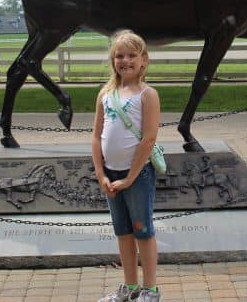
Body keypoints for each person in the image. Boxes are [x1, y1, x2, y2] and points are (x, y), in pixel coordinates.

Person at [93, 30, 162, 302]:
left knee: (142, 230)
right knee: (122, 231)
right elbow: (97, 135)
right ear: (112, 60)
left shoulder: (147, 95)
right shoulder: (106, 93)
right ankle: (130, 286)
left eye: (132, 55)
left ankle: (150, 289)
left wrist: (131, 177)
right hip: (111, 175)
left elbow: (148, 138)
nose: (125, 60)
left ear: (144, 60)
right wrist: (101, 174)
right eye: (119, 55)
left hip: (138, 175)